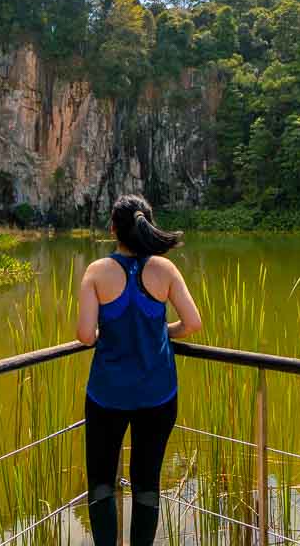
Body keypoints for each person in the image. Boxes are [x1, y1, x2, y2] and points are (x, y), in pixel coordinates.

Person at [76, 194, 202, 546]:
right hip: (158, 396)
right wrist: (163, 330)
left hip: (107, 397)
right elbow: (192, 323)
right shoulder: (165, 269)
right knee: (147, 484)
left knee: (102, 483)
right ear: (148, 223)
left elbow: (86, 335)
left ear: (113, 227)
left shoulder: (97, 272)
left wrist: (110, 331)